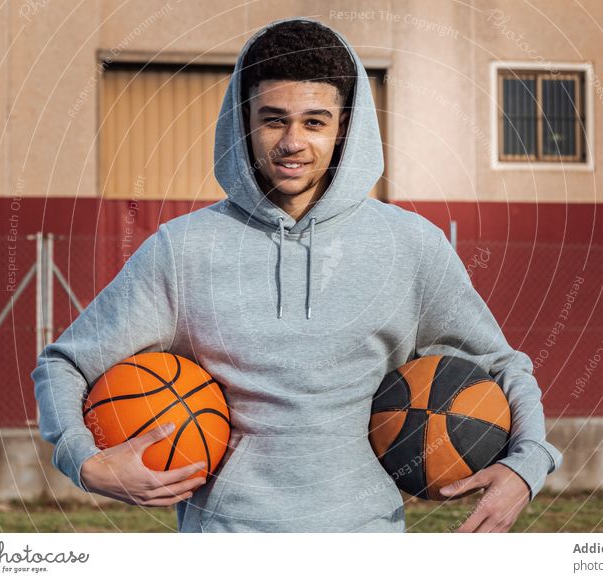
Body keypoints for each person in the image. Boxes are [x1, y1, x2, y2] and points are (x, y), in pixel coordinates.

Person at [32, 17, 563, 533]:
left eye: (315, 121)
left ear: (344, 128)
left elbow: (499, 363)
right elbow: (65, 363)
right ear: (245, 121)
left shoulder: (410, 245)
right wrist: (85, 463)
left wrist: (529, 463)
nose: (292, 141)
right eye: (273, 118)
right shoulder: (183, 248)